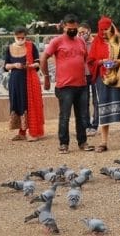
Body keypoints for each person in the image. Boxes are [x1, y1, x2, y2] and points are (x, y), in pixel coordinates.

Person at [40, 14, 94, 154]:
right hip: (64, 86)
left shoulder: (81, 41)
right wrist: (46, 77)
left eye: (75, 28)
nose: (72, 30)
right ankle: (64, 144)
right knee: (64, 116)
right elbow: (44, 58)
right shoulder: (56, 41)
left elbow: (87, 60)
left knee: (82, 115)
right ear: (64, 27)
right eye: (70, 28)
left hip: (81, 84)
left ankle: (83, 142)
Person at [87, 16, 120, 152]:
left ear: (112, 27)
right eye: (101, 29)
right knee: (103, 109)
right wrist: (101, 62)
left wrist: (118, 63)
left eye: (106, 29)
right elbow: (91, 61)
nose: (104, 32)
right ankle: (103, 142)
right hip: (103, 79)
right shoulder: (96, 42)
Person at [4, 26, 44, 142]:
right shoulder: (9, 48)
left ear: (26, 37)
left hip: (28, 79)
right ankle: (21, 132)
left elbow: (38, 63)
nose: (21, 39)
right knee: (17, 103)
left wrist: (29, 66)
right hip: (15, 81)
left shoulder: (31, 47)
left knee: (28, 104)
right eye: (18, 37)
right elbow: (6, 66)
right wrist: (14, 65)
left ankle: (32, 132)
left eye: (23, 37)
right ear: (14, 36)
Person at [78, 22, 99, 137]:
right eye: (79, 33)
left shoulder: (96, 42)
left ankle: (95, 124)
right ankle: (87, 125)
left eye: (83, 32)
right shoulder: (78, 43)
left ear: (89, 31)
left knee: (96, 101)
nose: (81, 34)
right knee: (84, 101)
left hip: (95, 74)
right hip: (83, 75)